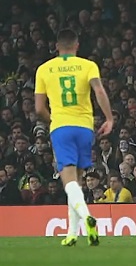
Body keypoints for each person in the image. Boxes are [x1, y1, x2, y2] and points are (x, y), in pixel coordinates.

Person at [34, 28, 114, 247]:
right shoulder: (88, 66)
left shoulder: (44, 69)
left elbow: (39, 108)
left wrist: (53, 120)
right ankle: (72, 233)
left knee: (68, 180)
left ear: (57, 47)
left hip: (62, 126)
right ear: (77, 45)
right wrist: (109, 118)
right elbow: (99, 92)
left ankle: (88, 216)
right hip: (85, 127)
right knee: (77, 182)